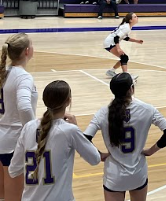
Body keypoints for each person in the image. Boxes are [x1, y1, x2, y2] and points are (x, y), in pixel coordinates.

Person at [85, 73, 166, 200]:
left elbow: (85, 139)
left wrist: (99, 155)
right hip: (138, 173)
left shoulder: (102, 113)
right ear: (131, 89)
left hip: (114, 175)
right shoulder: (148, 109)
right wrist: (151, 151)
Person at [8, 80, 101, 201]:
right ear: (68, 101)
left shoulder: (28, 127)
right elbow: (95, 159)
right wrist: (77, 129)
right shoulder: (70, 130)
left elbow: (13, 170)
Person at [0, 33, 37, 201]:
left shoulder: (3, 72)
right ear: (27, 51)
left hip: (2, 137)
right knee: (14, 198)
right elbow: (23, 105)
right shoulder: (23, 77)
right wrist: (32, 132)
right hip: (14, 143)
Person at [102, 13, 143, 78]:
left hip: (109, 42)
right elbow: (116, 38)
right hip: (109, 43)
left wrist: (136, 41)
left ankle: (111, 71)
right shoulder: (126, 27)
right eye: (135, 17)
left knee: (124, 58)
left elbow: (124, 37)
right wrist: (118, 48)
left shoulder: (127, 26)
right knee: (124, 57)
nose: (137, 18)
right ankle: (126, 76)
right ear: (130, 20)